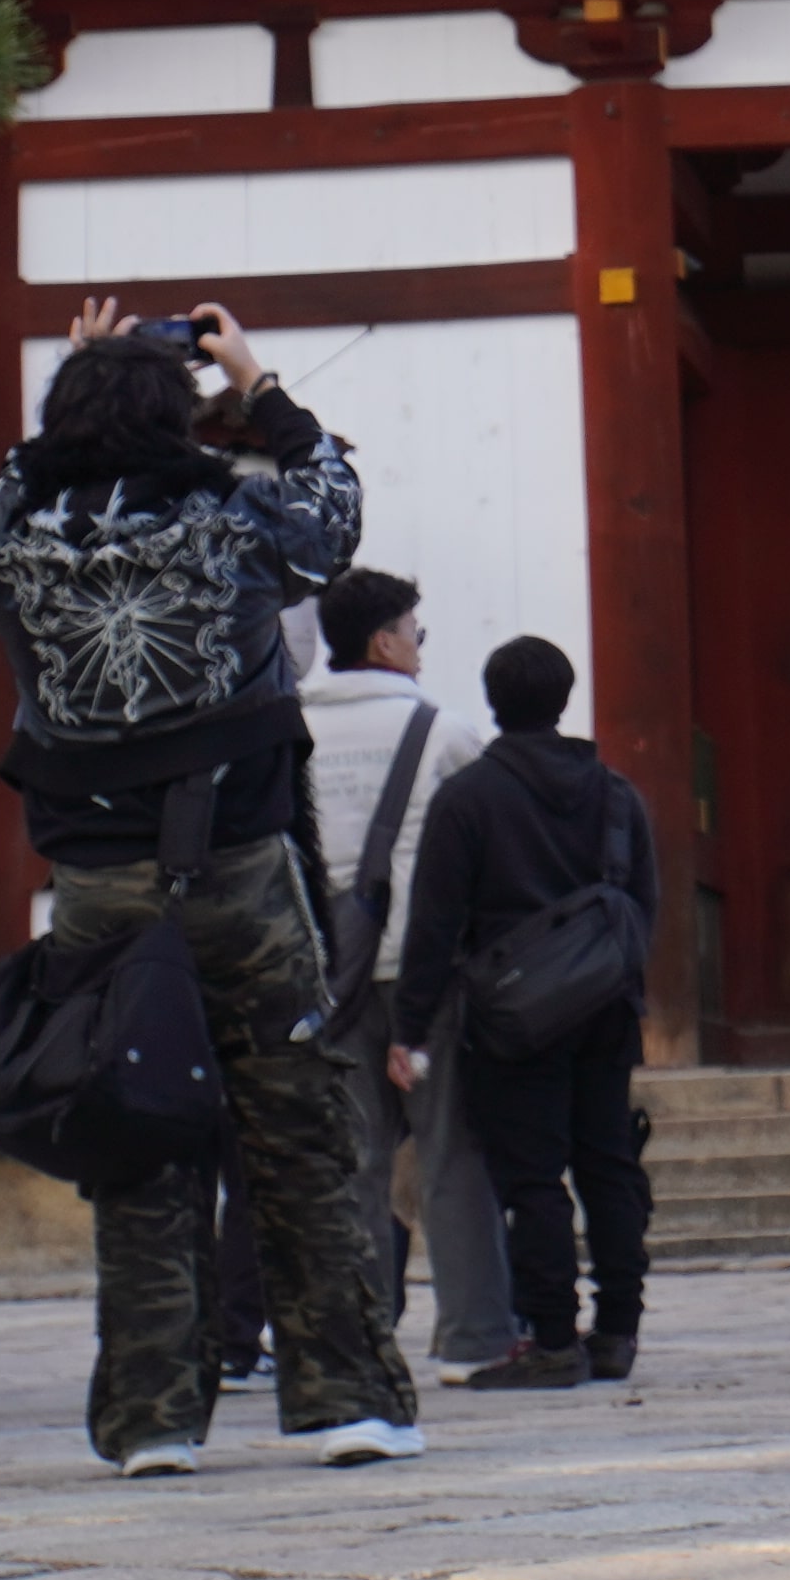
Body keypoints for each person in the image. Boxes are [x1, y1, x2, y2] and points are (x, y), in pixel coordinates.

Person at [0, 297, 420, 1472]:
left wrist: (76, 384)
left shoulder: (14, 533)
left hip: (99, 883)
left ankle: (152, 1416)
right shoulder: (228, 509)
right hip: (241, 858)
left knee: (135, 1126)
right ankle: (344, 1396)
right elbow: (333, 519)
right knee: (298, 1125)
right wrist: (258, 382)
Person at [406, 629, 666, 1387]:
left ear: (494, 700)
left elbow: (435, 920)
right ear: (563, 697)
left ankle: (553, 1338)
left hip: (512, 1017)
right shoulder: (617, 795)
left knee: (532, 1178)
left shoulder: (467, 799)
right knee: (609, 1166)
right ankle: (618, 1330)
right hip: (606, 1005)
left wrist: (410, 1026)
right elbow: (641, 903)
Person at [306, 572, 519, 1374]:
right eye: (415, 634)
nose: (419, 650)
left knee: (352, 1161)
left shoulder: (292, 732)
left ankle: (357, 1340)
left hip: (330, 975)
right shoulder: (443, 733)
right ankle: (473, 1336)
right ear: (385, 642)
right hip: (424, 973)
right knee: (450, 1153)